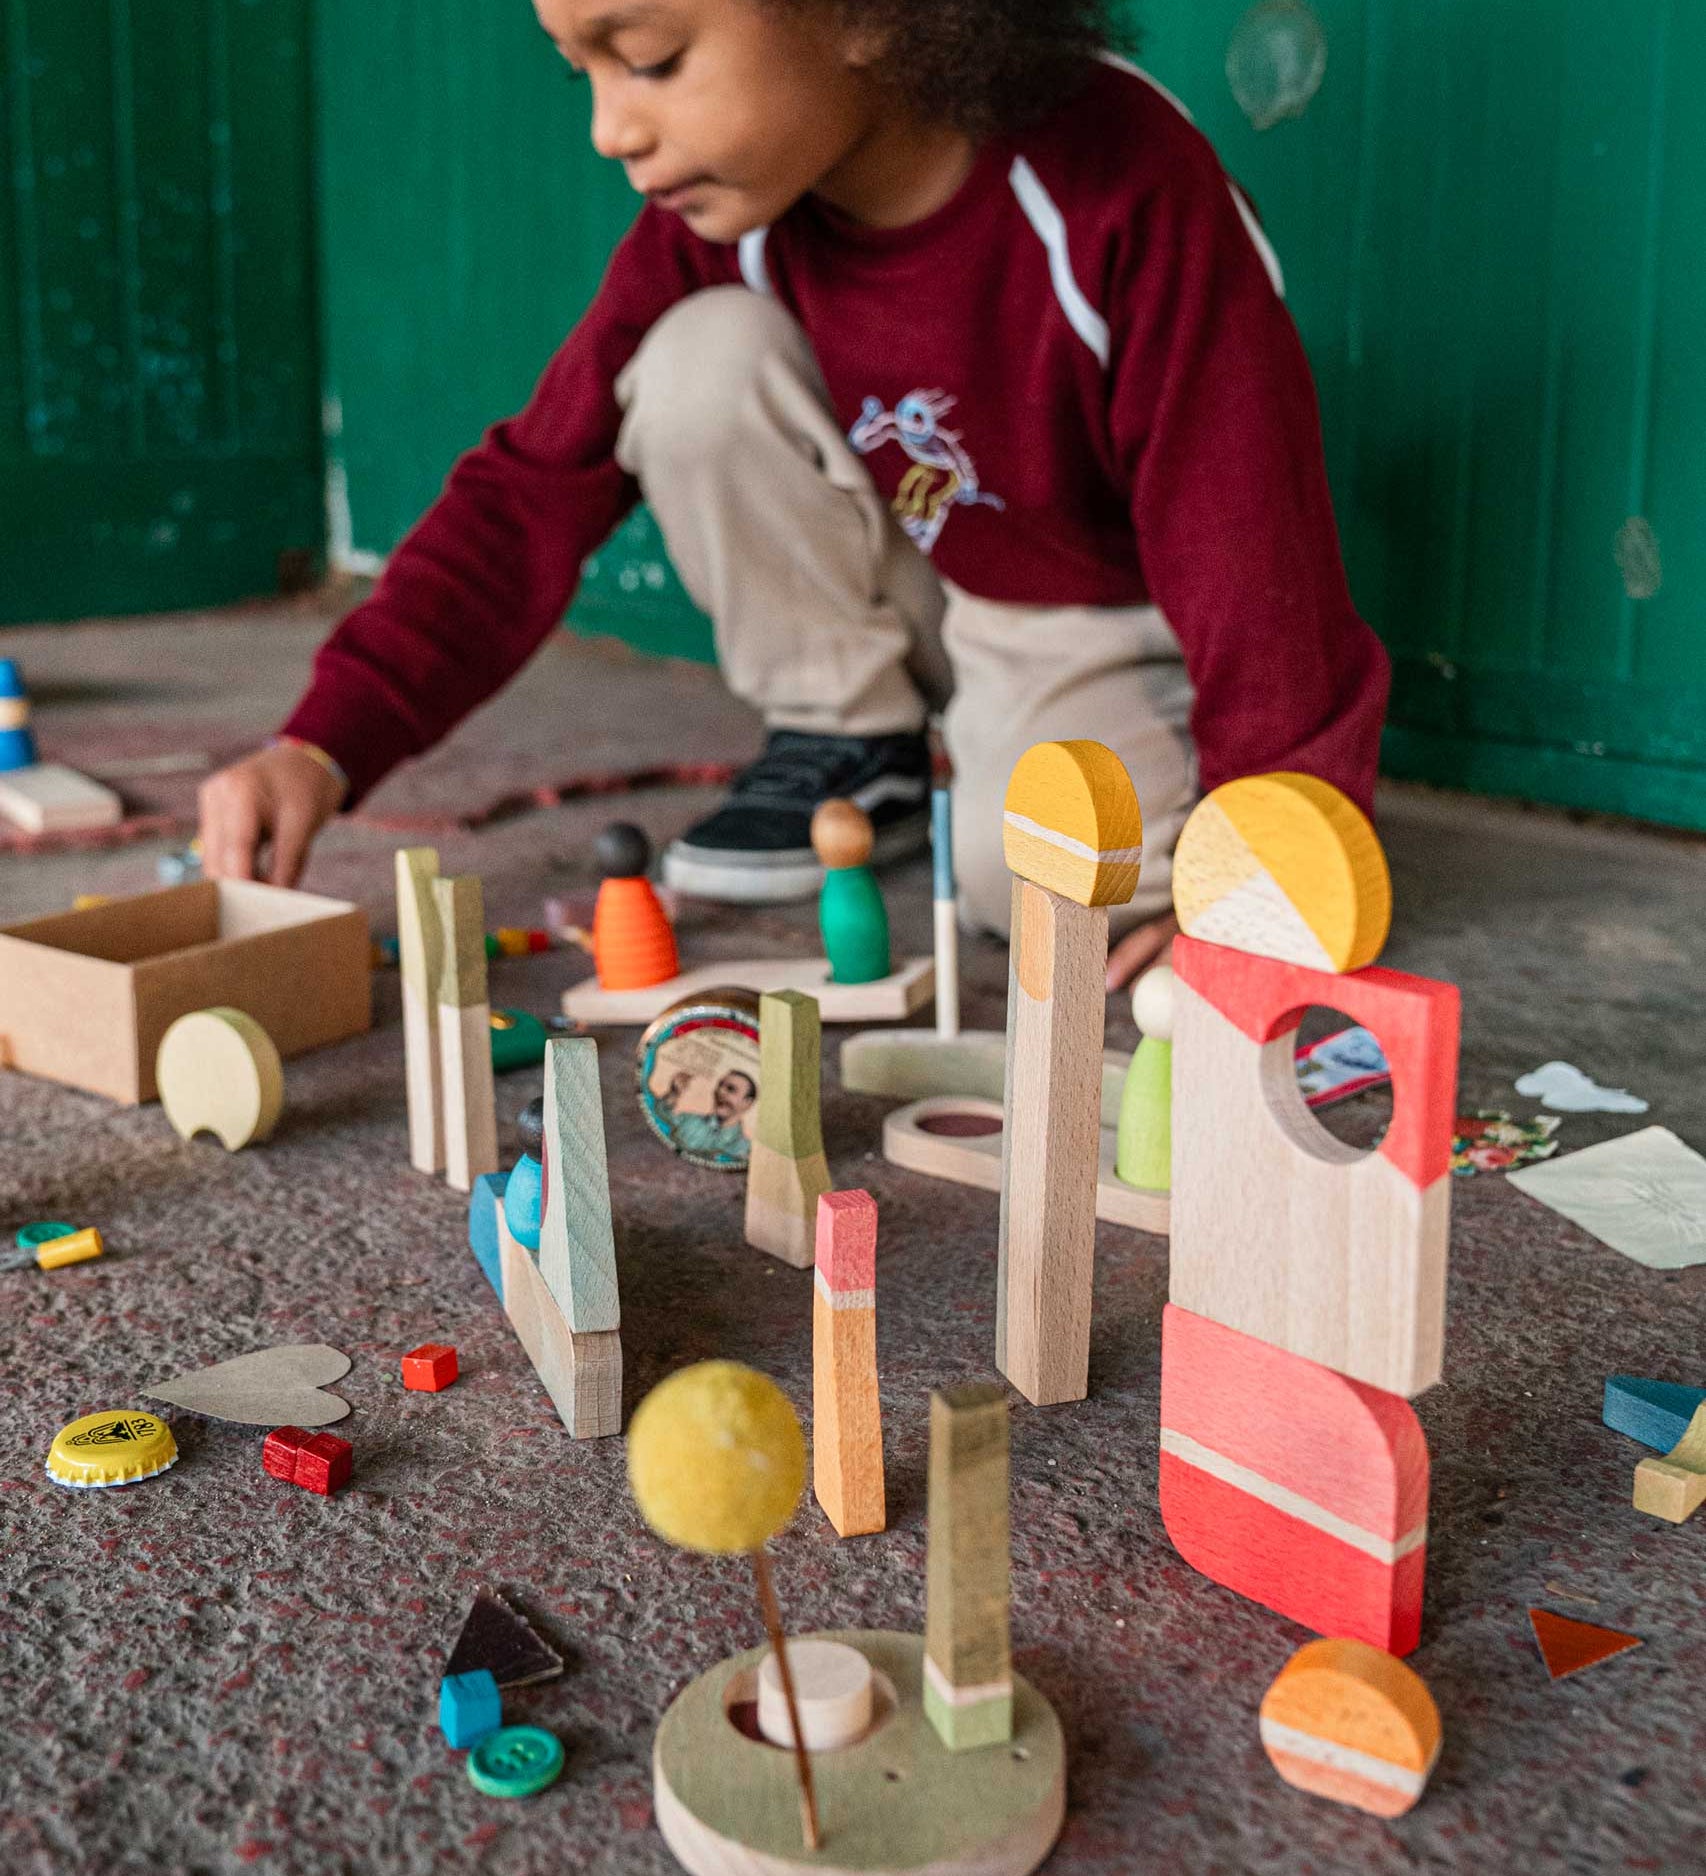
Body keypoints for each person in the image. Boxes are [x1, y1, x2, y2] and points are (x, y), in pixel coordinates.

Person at [198, 0, 1388, 991]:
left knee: (1026, 882)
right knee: (691, 361)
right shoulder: (728, 215)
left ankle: (1016, 785)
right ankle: (853, 741)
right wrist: (322, 744)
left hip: (1101, 616)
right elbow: (530, 488)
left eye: (653, 59)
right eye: (585, 74)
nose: (613, 128)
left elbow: (1249, 556)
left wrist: (1264, 863)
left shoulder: (1115, 183)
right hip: (938, 574)